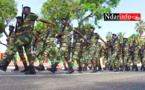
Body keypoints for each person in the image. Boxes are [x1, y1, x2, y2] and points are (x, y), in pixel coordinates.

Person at [0, 6, 56, 75]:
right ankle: (32, 69)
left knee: (15, 45)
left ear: (28, 10)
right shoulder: (25, 18)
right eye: (23, 9)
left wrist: (51, 23)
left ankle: (5, 64)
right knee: (29, 54)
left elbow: (41, 19)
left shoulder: (31, 15)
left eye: (24, 9)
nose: (23, 10)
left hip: (26, 36)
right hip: (27, 36)